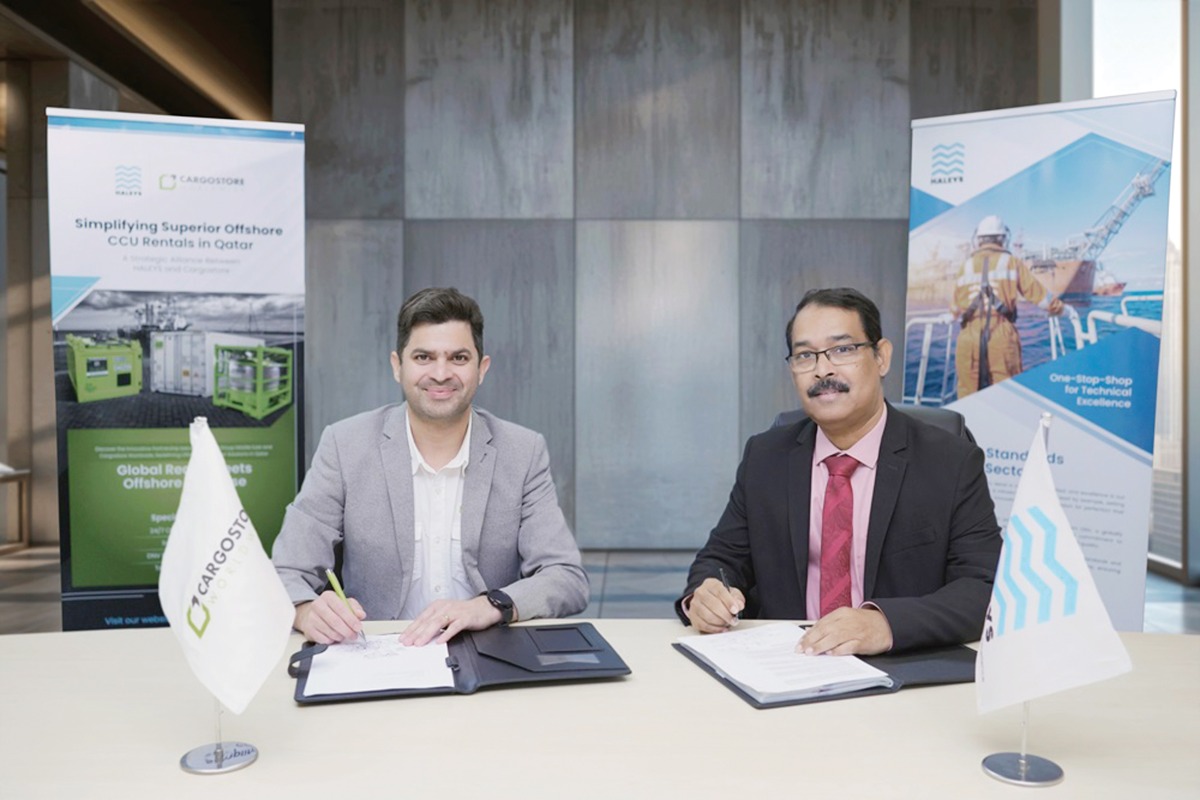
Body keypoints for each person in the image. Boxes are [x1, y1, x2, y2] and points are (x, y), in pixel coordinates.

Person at [677, 287, 1001, 655]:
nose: (822, 369)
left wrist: (886, 623)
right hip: (787, 665)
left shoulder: (951, 461)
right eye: (804, 356)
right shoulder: (765, 458)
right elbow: (721, 559)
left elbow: (983, 585)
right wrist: (706, 595)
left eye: (842, 349)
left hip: (899, 670)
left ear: (882, 357)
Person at [273, 287, 588, 646]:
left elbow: (566, 578)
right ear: (398, 366)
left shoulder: (523, 451)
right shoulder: (345, 446)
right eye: (423, 357)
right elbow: (286, 571)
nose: (441, 373)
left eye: (458, 358)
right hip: (375, 656)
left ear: (481, 369)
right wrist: (306, 610)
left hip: (487, 653)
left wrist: (492, 605)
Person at [952, 215, 1064, 398]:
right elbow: (1041, 297)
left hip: (969, 338)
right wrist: (1062, 309)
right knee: (1007, 395)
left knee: (967, 394)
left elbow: (955, 307)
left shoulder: (966, 266)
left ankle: (967, 426)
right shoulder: (1011, 262)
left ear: (978, 239)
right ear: (1003, 238)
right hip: (1001, 336)